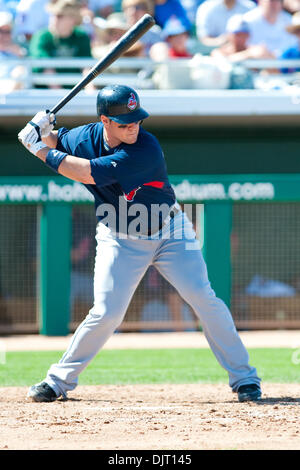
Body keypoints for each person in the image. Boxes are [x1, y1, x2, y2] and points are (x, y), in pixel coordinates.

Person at [18, 84, 262, 404]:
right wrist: (41, 130)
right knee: (106, 312)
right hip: (119, 237)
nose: (133, 126)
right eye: (124, 123)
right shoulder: (85, 138)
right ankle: (57, 381)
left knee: (204, 298)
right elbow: (58, 142)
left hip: (171, 231)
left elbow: (87, 172)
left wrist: (37, 148)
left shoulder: (145, 147)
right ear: (105, 121)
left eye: (137, 120)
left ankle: (245, 379)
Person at [28, 0, 92, 88]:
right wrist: (62, 96)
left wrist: (90, 93)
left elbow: (86, 68)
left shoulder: (81, 37)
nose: (53, 19)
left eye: (59, 16)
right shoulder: (42, 36)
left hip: (75, 93)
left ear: (72, 19)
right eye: (52, 15)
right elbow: (45, 68)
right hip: (47, 94)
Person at [0, 11, 27, 92]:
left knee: (20, 71)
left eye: (7, 32)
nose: (4, 35)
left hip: (11, 93)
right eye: (1, 31)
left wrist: (20, 56)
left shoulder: (20, 50)